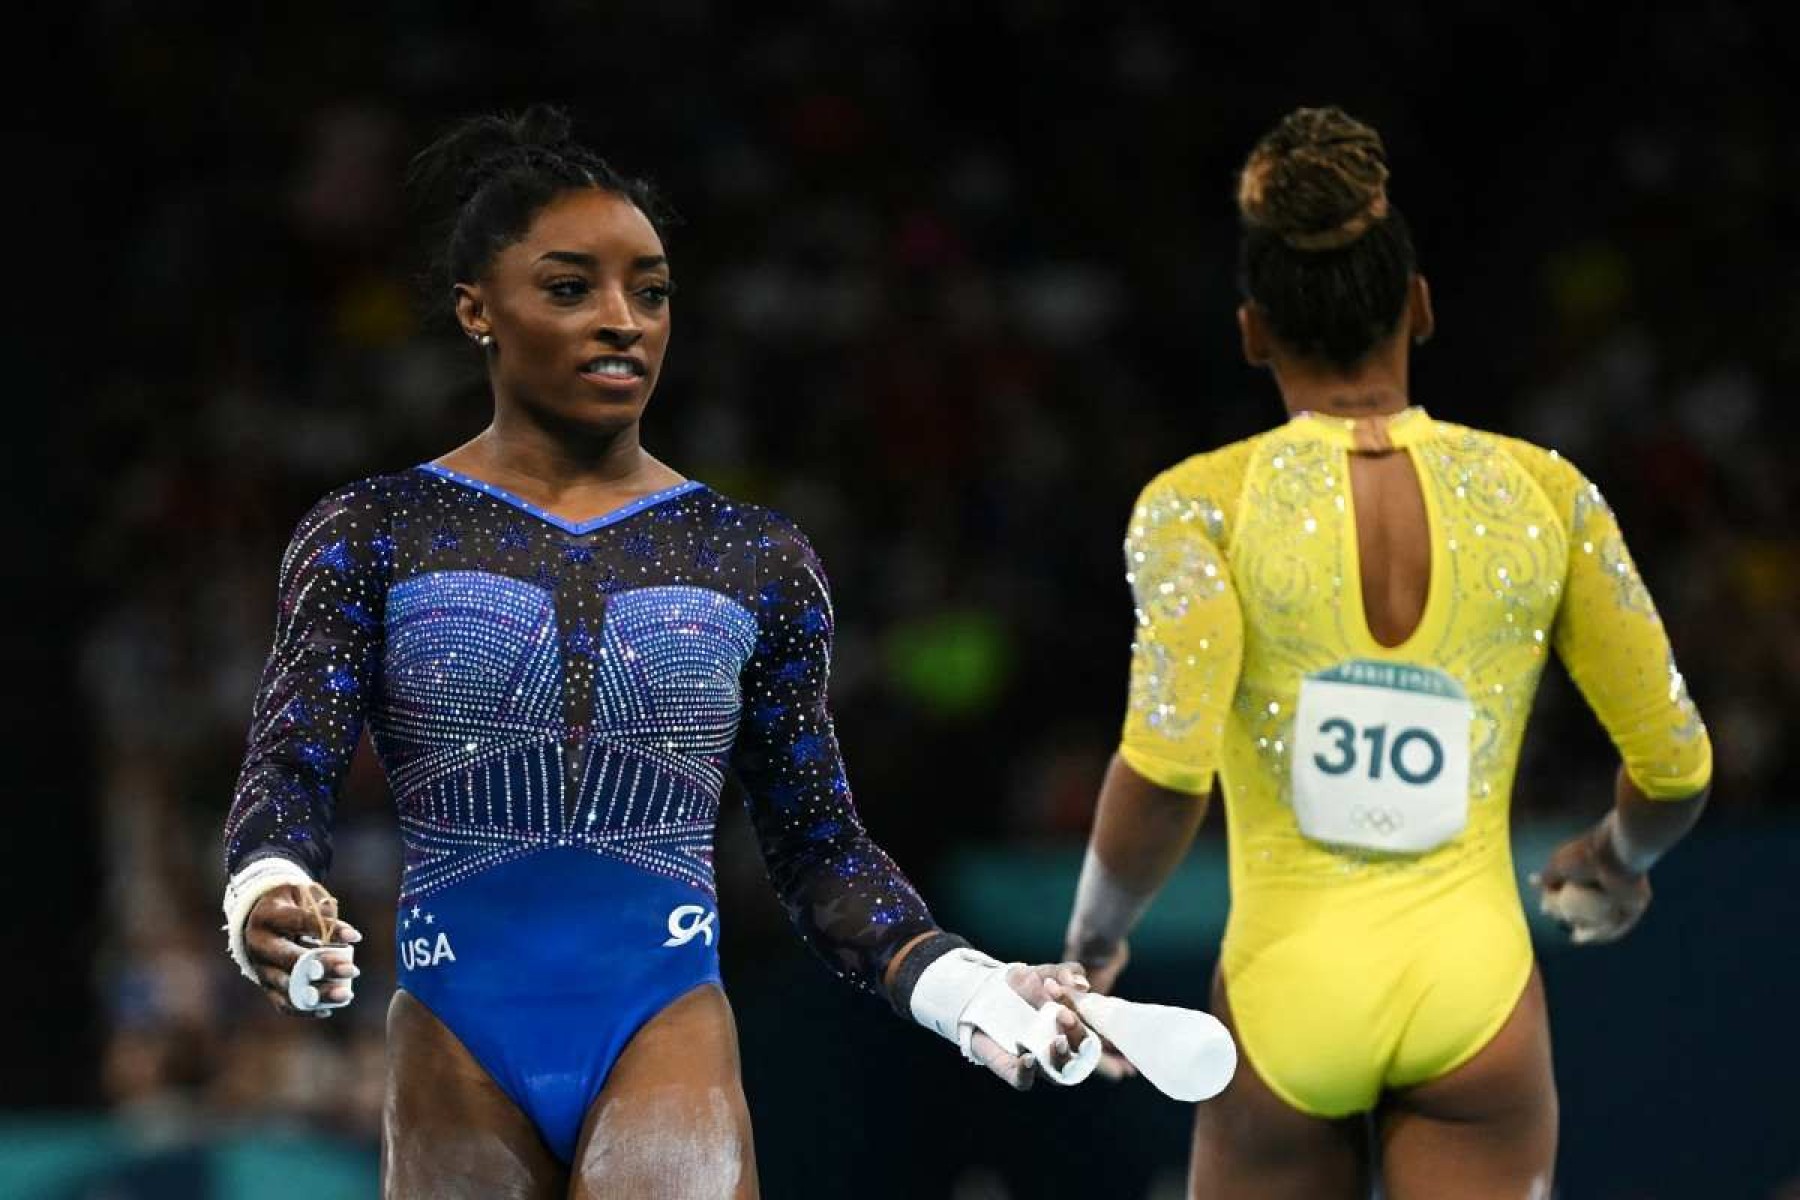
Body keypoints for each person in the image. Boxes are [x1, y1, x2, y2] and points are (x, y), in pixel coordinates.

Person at [219, 106, 1092, 1199]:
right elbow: (288, 766)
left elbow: (818, 847)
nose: (624, 320)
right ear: (476, 310)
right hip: (453, 1037)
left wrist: (966, 989)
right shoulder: (374, 533)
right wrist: (269, 886)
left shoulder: (751, 558)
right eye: (573, 286)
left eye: (653, 290)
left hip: (662, 1019)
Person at [1061, 107, 1711, 1199]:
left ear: (1253, 330)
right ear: (1418, 306)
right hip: (1477, 987)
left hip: (1285, 996)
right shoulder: (1544, 494)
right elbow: (1679, 767)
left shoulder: (1198, 507)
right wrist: (1616, 858)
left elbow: (1166, 771)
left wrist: (1091, 946)